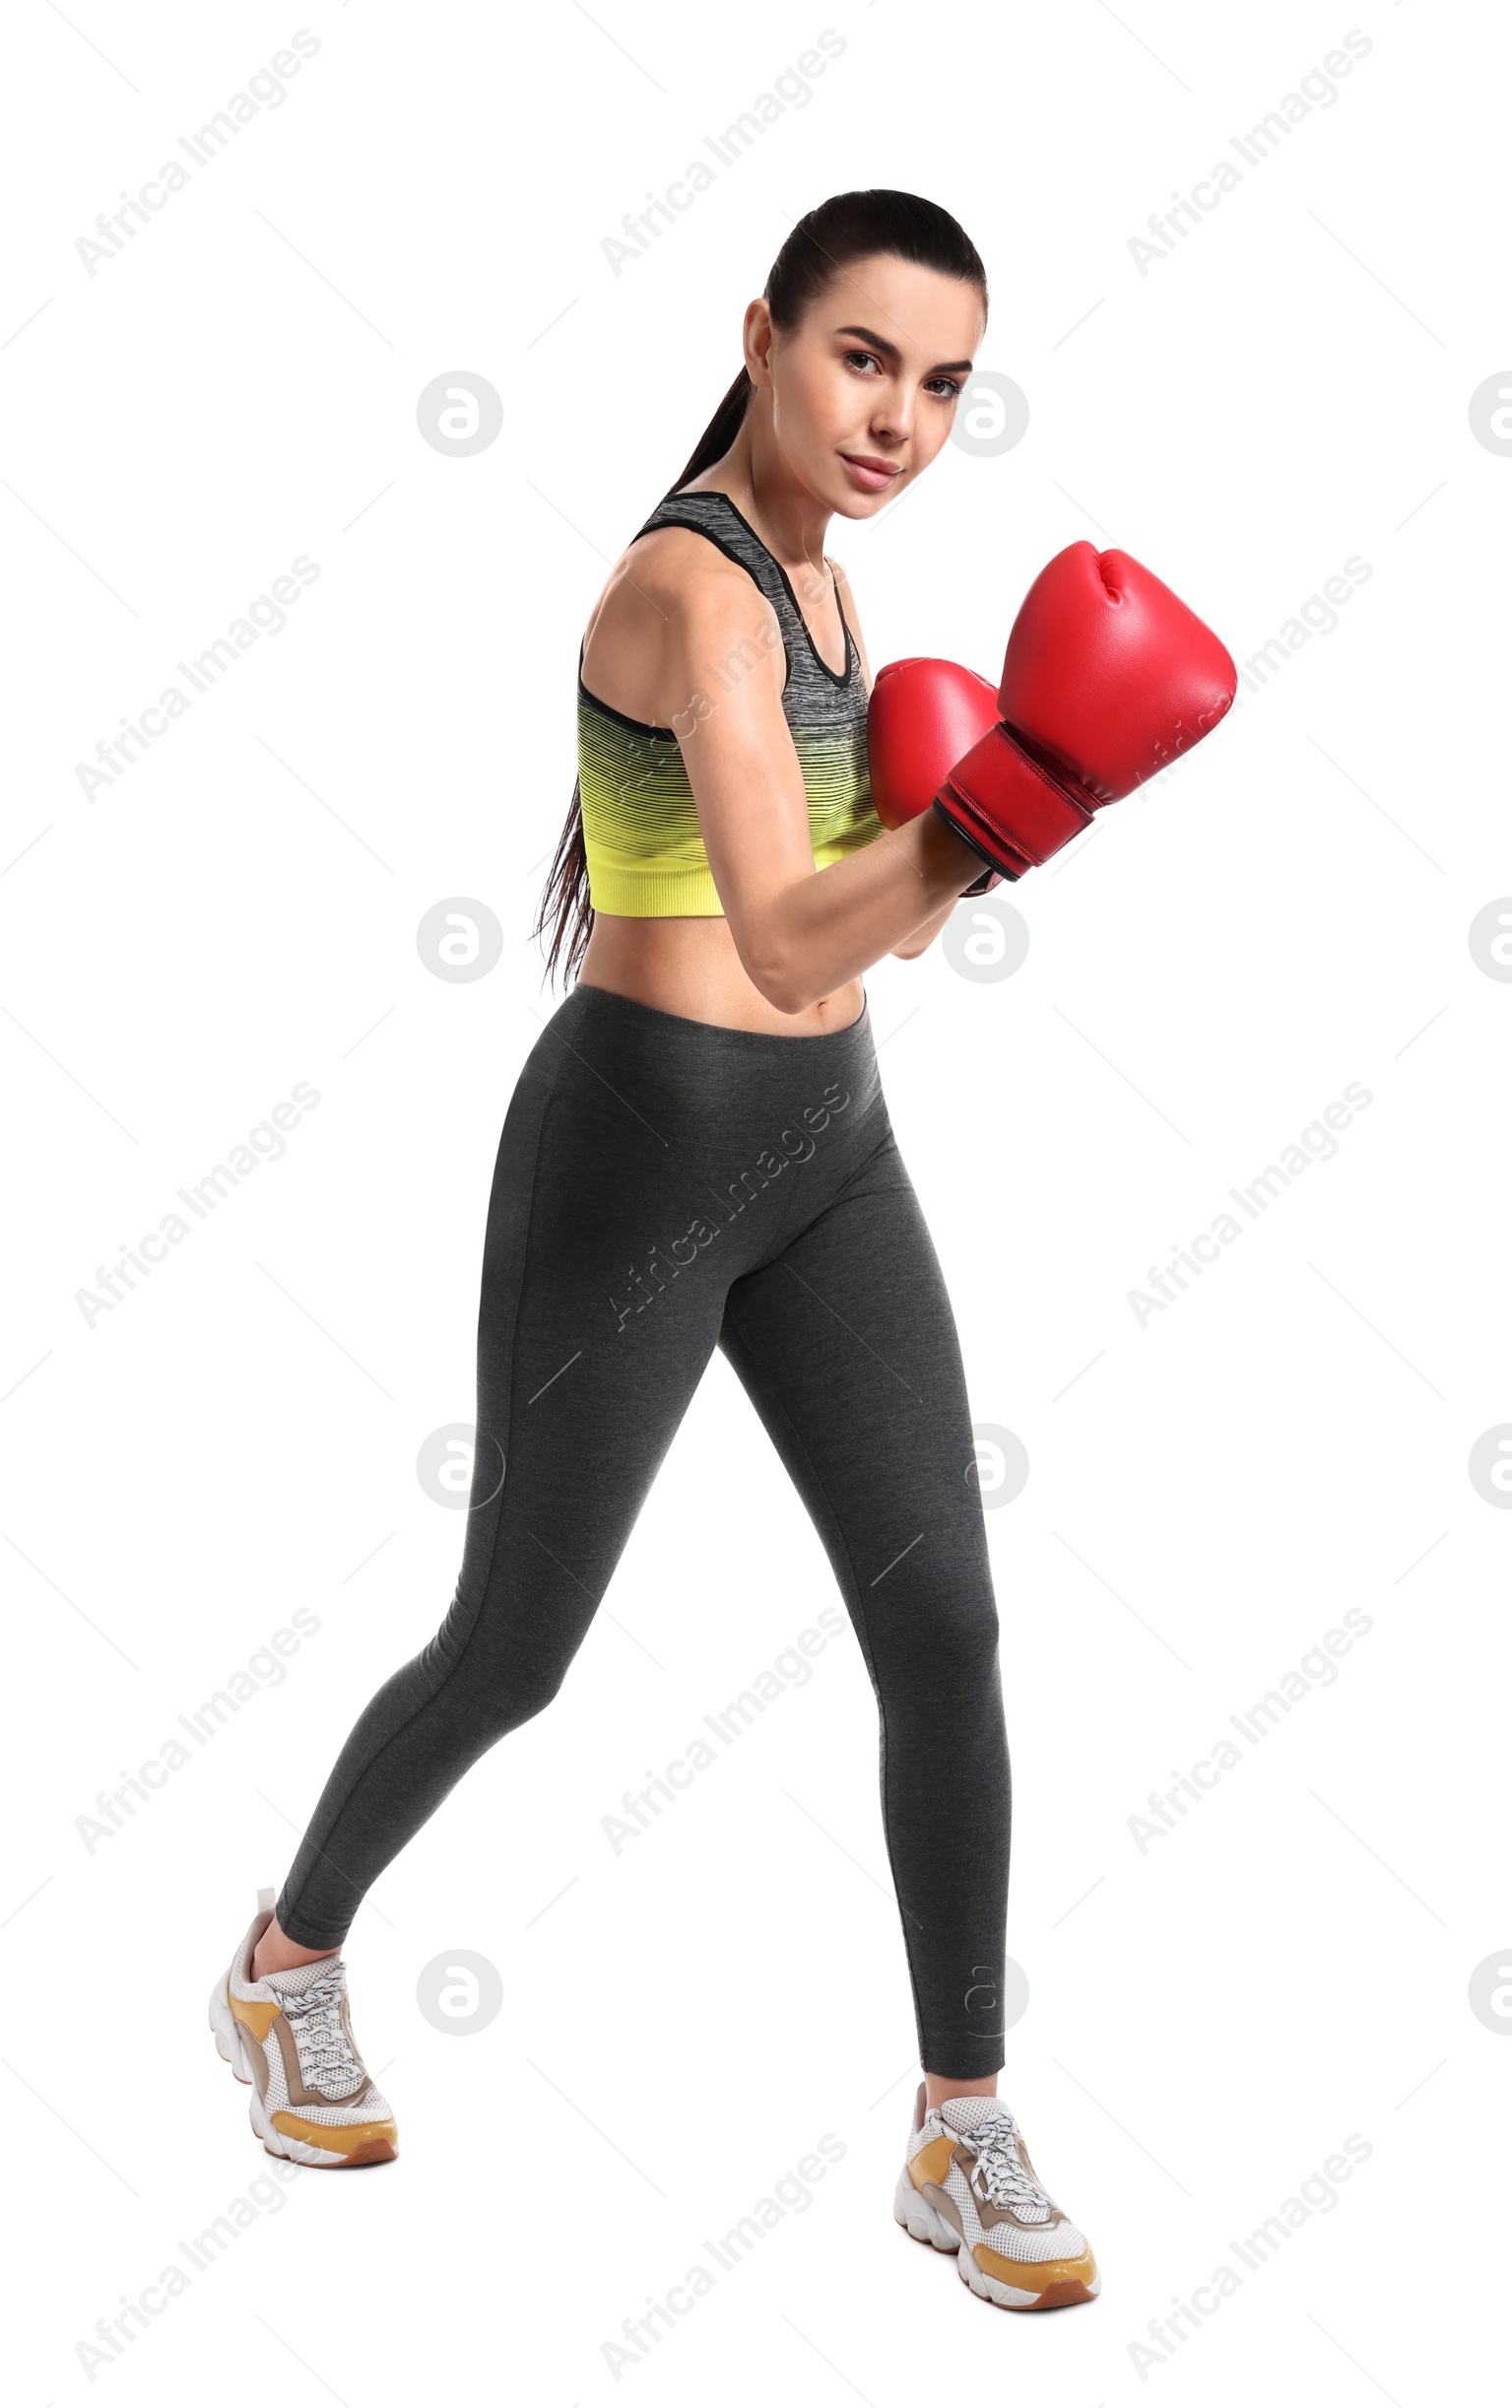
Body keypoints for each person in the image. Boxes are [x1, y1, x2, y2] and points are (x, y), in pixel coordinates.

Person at [210, 184, 1222, 2313]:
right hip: (636, 1152)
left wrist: (976, 820)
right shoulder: (690, 588)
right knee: (519, 1642)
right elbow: (771, 927)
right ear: (760, 333)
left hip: (828, 1145)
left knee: (941, 1625)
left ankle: (961, 2116)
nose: (898, 417)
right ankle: (285, 1958)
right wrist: (1013, 802)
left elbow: (860, 941)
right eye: (862, 358)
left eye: (942, 384)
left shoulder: (839, 596)